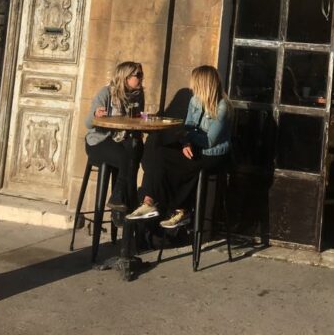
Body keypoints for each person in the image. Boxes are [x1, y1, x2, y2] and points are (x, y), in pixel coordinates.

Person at [127, 65, 232, 229]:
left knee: (178, 163)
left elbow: (209, 141)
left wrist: (185, 137)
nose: (191, 87)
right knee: (160, 152)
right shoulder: (195, 100)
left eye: (194, 83)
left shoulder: (222, 106)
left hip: (213, 154)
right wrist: (185, 142)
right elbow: (188, 127)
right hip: (196, 147)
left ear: (204, 84)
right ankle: (149, 201)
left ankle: (180, 209)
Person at [84, 61, 146, 211]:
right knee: (127, 157)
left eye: (141, 74)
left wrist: (145, 119)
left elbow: (137, 120)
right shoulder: (106, 93)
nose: (141, 78)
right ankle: (120, 202)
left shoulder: (138, 95)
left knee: (136, 150)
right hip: (100, 141)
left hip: (121, 141)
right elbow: (88, 124)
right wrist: (95, 115)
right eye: (137, 75)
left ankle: (122, 210)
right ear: (125, 78)